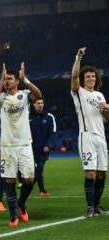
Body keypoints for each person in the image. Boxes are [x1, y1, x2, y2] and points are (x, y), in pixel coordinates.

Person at [0, 63, 42, 227]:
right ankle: (13, 216)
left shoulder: (25, 95)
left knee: (29, 179)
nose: (7, 81)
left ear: (17, 81)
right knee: (10, 181)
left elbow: (38, 95)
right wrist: (0, 78)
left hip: (25, 144)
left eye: (9, 79)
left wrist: (26, 79)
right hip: (7, 145)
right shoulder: (2, 98)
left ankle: (21, 203)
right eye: (5, 79)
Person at [71, 47, 108, 217]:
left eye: (93, 76)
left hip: (101, 137)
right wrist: (78, 57)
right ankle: (89, 207)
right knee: (91, 173)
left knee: (101, 174)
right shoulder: (79, 92)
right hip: (86, 136)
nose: (91, 78)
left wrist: (107, 109)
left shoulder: (100, 95)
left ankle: (97, 205)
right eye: (87, 76)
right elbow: (73, 77)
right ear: (83, 79)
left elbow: (107, 118)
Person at [29, 97, 56, 197]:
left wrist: (48, 145)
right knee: (38, 170)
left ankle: (28, 186)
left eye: (42, 103)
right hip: (29, 149)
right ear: (34, 104)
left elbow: (52, 133)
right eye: (38, 103)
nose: (40, 105)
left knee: (38, 170)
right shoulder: (28, 116)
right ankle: (42, 190)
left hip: (43, 150)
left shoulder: (49, 117)